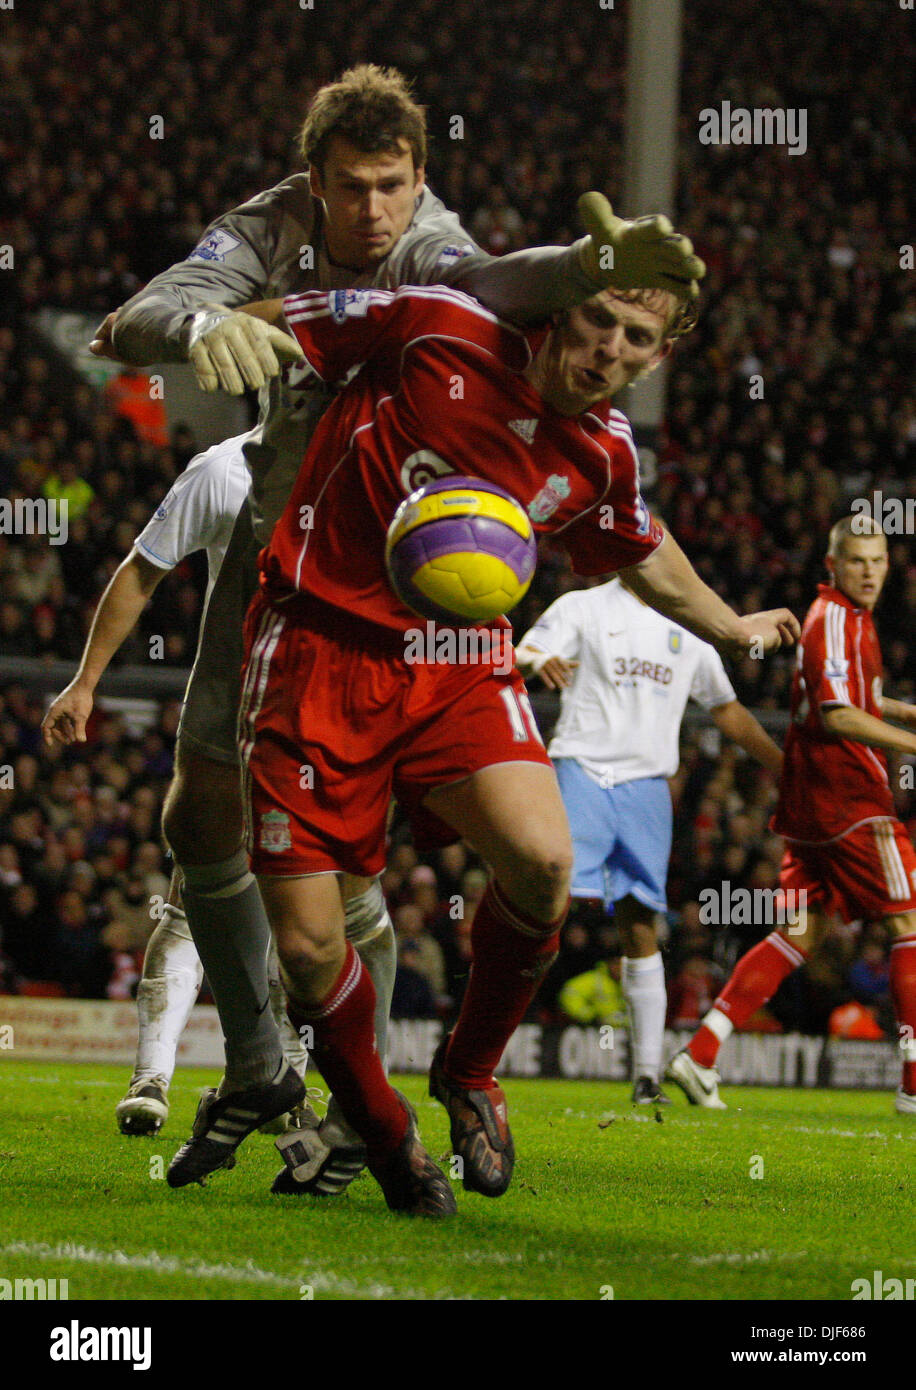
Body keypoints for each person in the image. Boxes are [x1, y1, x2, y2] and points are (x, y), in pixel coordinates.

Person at [89, 64, 705, 1188]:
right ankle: (272, 1067)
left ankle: (352, 1087)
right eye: (349, 189)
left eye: (392, 187)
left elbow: (500, 285)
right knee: (199, 816)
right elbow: (125, 326)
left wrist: (585, 265)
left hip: (422, 575)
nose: (374, 213)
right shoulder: (268, 228)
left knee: (385, 868)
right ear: (310, 182)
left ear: (419, 179)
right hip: (290, 546)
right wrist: (196, 327)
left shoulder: (430, 248)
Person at [178, 278, 799, 1217]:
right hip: (318, 647)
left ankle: (468, 1074)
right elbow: (290, 319)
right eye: (596, 319)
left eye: (634, 337)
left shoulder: (602, 451)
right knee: (309, 951)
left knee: (547, 862)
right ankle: (390, 1144)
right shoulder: (444, 329)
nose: (606, 349)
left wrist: (730, 625)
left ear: (657, 357)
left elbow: (641, 546)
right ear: (562, 308)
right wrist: (209, 322)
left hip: (460, 659)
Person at [41, 436, 308, 1135]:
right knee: (198, 896)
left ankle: (281, 1084)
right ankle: (154, 1074)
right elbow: (143, 570)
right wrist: (86, 682)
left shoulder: (374, 458)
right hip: (236, 710)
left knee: (309, 904)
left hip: (331, 716)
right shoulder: (222, 470)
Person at [668, 517, 916, 1114]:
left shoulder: (849, 620)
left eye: (878, 561)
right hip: (847, 798)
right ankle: (912, 1084)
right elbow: (836, 715)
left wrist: (908, 712)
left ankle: (700, 1053)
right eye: (856, 560)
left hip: (813, 805)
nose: (869, 571)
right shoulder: (832, 619)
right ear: (833, 565)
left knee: (798, 934)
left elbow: (853, 698)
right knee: (910, 923)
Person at [516, 575, 783, 1102]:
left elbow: (725, 709)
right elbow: (526, 648)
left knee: (641, 923)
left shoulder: (689, 620)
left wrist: (783, 765)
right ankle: (483, 1051)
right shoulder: (584, 607)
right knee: (539, 904)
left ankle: (646, 1077)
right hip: (581, 772)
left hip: (647, 791)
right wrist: (534, 662)